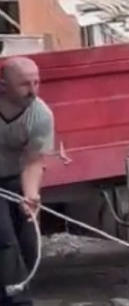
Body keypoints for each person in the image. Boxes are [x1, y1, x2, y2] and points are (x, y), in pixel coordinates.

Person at [0, 57, 54, 306]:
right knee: (5, 240)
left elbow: (34, 161)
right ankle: (17, 300)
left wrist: (30, 196)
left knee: (29, 239)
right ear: (3, 86)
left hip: (16, 176)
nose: (33, 91)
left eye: (37, 82)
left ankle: (19, 287)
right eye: (24, 84)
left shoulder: (40, 115)